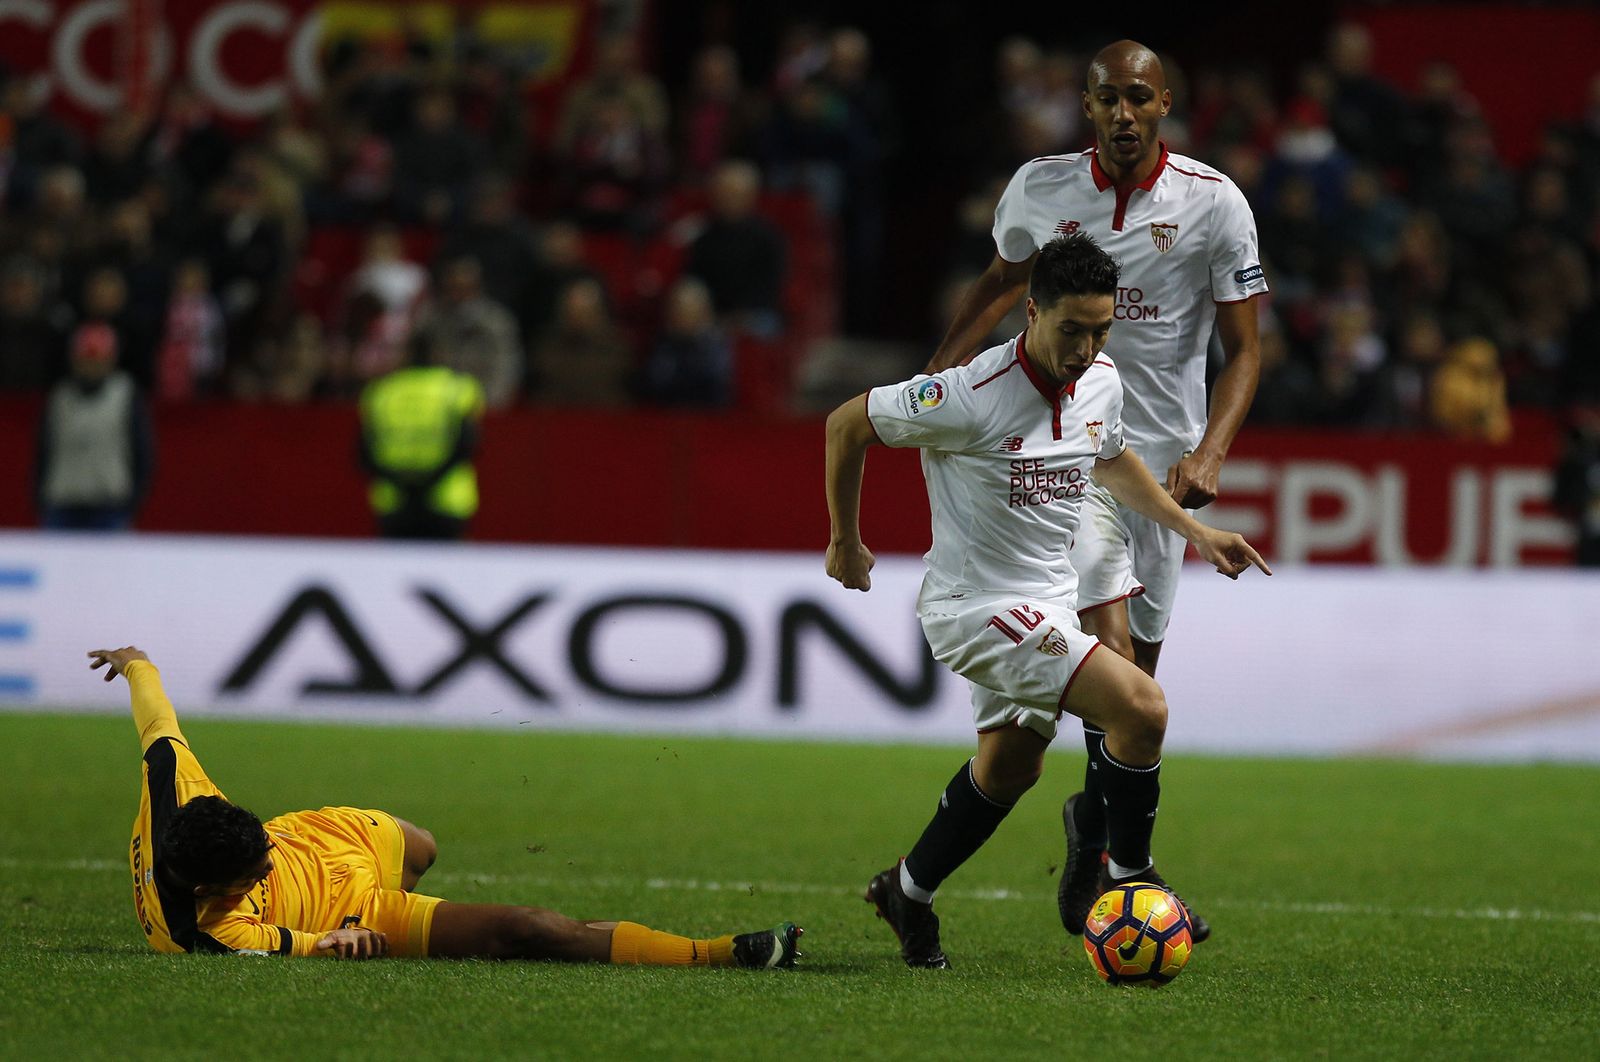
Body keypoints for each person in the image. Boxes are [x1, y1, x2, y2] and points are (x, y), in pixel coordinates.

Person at [825, 233, 1269, 967]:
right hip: (975, 608)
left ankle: (907, 889)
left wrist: (1192, 529)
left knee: (1010, 768)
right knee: (1142, 707)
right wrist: (846, 539)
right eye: (1072, 330)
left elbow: (1111, 458)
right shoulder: (965, 394)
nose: (1087, 347)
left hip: (1048, 604)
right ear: (1031, 311)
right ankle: (1130, 878)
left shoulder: (1101, 381)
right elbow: (846, 424)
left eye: (1101, 330)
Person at [926, 41, 1269, 944]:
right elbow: (999, 286)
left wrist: (1212, 451)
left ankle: (1089, 839)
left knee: (1133, 688)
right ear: (1087, 106)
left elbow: (1248, 352)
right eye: (1108, 98)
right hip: (1069, 458)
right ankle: (1128, 875)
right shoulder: (1040, 189)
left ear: (1165, 105)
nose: (1124, 113)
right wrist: (937, 379)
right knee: (1113, 653)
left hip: (1162, 472)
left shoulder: (1214, 203)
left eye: (1140, 98)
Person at [96, 644, 802, 966]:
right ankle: (718, 954)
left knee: (424, 844)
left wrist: (136, 664)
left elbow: (159, 726)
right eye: (255, 875)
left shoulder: (174, 796)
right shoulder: (205, 937)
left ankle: (374, 873)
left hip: (322, 838)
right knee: (528, 930)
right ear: (215, 890)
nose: (262, 869)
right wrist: (341, 942)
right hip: (355, 912)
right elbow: (310, 946)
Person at [35, 322, 154, 530]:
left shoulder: (125, 394)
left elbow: (142, 451)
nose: (91, 366)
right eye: (86, 359)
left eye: (98, 359)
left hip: (110, 505)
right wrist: (39, 496)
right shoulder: (60, 397)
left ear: (111, 360)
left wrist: (133, 499)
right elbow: (44, 450)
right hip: (62, 504)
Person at [359, 357, 484, 541]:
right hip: (446, 505)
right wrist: (428, 483)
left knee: (396, 566)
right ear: (438, 353)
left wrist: (405, 485)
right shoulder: (457, 389)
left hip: (396, 505)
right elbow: (467, 446)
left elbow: (363, 454)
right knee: (448, 567)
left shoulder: (381, 391)